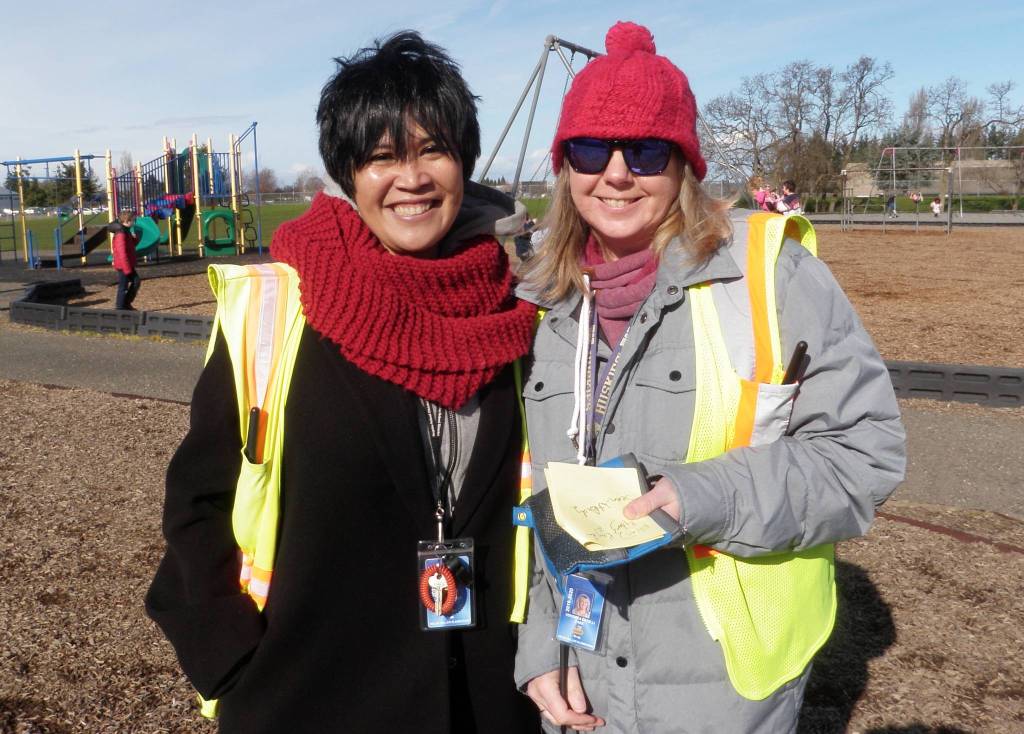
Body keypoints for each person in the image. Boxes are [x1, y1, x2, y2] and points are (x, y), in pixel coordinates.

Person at [514, 21, 906, 733]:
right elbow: (543, 498)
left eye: (648, 150)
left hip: (726, 694)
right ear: (566, 166)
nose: (617, 172)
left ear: (685, 165)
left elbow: (864, 454)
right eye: (592, 148)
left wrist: (699, 496)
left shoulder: (771, 276)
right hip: (583, 685)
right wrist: (543, 645)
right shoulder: (547, 305)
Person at [146, 31, 540, 734]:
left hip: (482, 698)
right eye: (383, 156)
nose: (411, 178)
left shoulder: (515, 314)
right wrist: (232, 661)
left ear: (465, 162)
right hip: (307, 695)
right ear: (348, 173)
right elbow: (196, 502)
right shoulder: (276, 308)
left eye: (433, 150)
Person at [110, 211, 140, 310]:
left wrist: (135, 239)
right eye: (133, 220)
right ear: (127, 221)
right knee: (123, 287)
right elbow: (121, 253)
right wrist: (126, 269)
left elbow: (130, 246)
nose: (134, 222)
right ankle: (120, 308)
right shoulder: (121, 234)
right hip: (123, 265)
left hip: (127, 264)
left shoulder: (126, 231)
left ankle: (126, 303)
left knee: (136, 281)